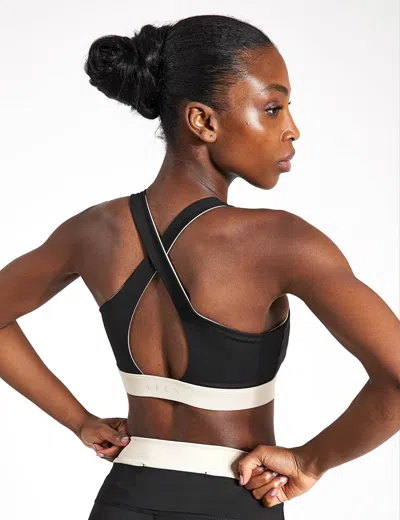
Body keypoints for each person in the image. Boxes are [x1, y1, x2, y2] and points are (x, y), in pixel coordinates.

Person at [1, 13, 399, 520]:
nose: (292, 130)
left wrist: (79, 421)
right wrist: (309, 461)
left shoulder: (92, 231)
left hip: (124, 500)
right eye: (272, 108)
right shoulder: (284, 241)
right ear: (203, 121)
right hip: (234, 501)